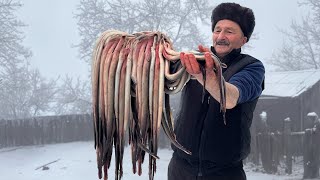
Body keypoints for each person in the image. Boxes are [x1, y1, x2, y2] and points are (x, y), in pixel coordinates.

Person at [168, 2, 265, 180]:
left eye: (229, 31)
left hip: (224, 173)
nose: (221, 36)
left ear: (244, 39)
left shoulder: (251, 68)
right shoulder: (194, 60)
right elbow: (160, 78)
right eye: (217, 29)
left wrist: (210, 79)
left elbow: (230, 98)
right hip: (180, 169)